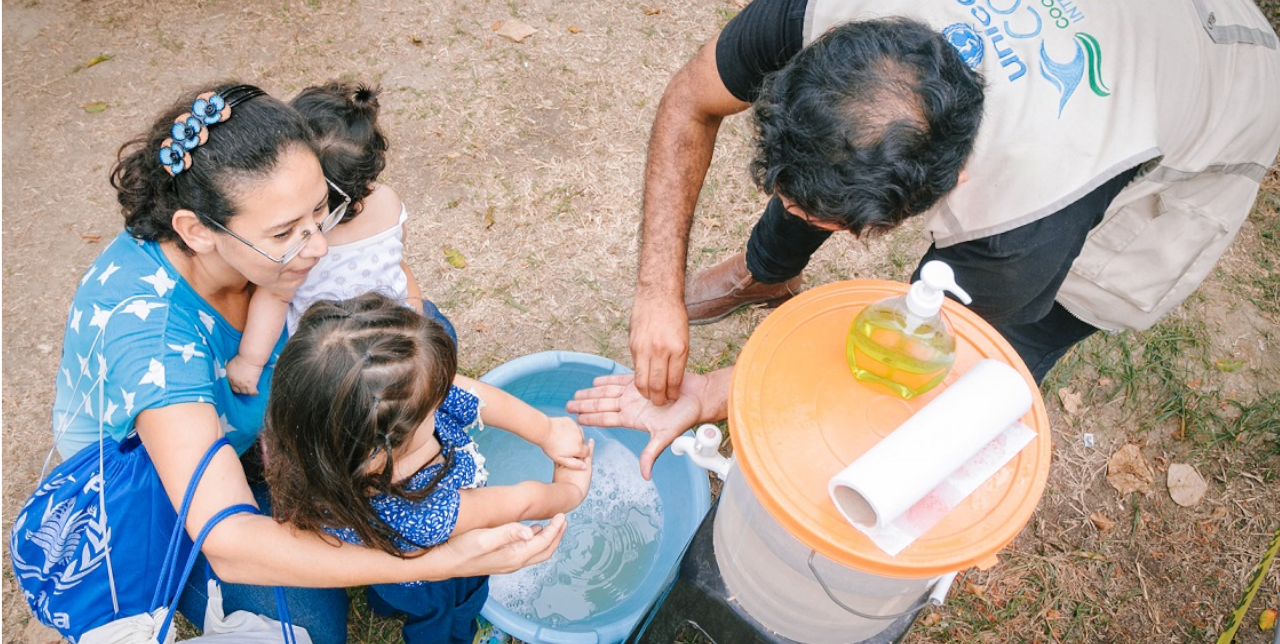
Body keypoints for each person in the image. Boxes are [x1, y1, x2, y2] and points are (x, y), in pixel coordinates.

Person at [32, 82, 566, 644]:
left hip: (258, 438)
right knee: (301, 633)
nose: (316, 247)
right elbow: (231, 541)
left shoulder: (261, 239)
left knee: (417, 338)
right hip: (160, 493)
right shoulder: (152, 340)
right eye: (286, 232)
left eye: (322, 210)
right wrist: (432, 562)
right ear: (197, 230)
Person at [627, 0, 1280, 413]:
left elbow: (918, 351)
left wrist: (717, 392)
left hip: (1228, 79)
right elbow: (691, 99)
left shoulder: (1025, 224)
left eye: (834, 223)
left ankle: (969, 434)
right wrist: (656, 291)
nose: (793, 209)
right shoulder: (824, 12)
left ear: (957, 179)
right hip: (1119, 23)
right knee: (827, 166)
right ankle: (764, 274)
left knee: (985, 366)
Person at [263, 293, 593, 644]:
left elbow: (474, 396)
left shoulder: (320, 438)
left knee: (390, 587)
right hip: (434, 581)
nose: (445, 396)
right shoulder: (427, 511)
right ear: (382, 453)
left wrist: (545, 429)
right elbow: (520, 503)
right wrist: (569, 492)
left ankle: (384, 603)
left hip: (382, 556)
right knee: (443, 612)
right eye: (433, 405)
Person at [225, 81, 453, 396]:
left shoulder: (297, 244)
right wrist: (414, 315)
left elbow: (274, 298)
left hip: (332, 367)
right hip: (400, 342)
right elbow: (398, 259)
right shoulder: (387, 202)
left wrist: (250, 362)